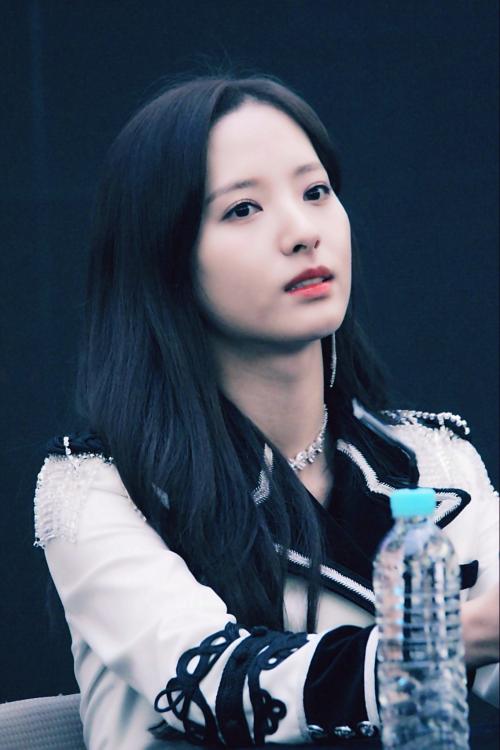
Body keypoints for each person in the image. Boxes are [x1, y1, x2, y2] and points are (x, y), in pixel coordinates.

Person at [33, 74, 499, 749]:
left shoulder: (432, 462)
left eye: (315, 193)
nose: (303, 232)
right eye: (243, 209)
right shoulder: (96, 486)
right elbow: (220, 684)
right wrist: (449, 637)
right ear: (165, 259)